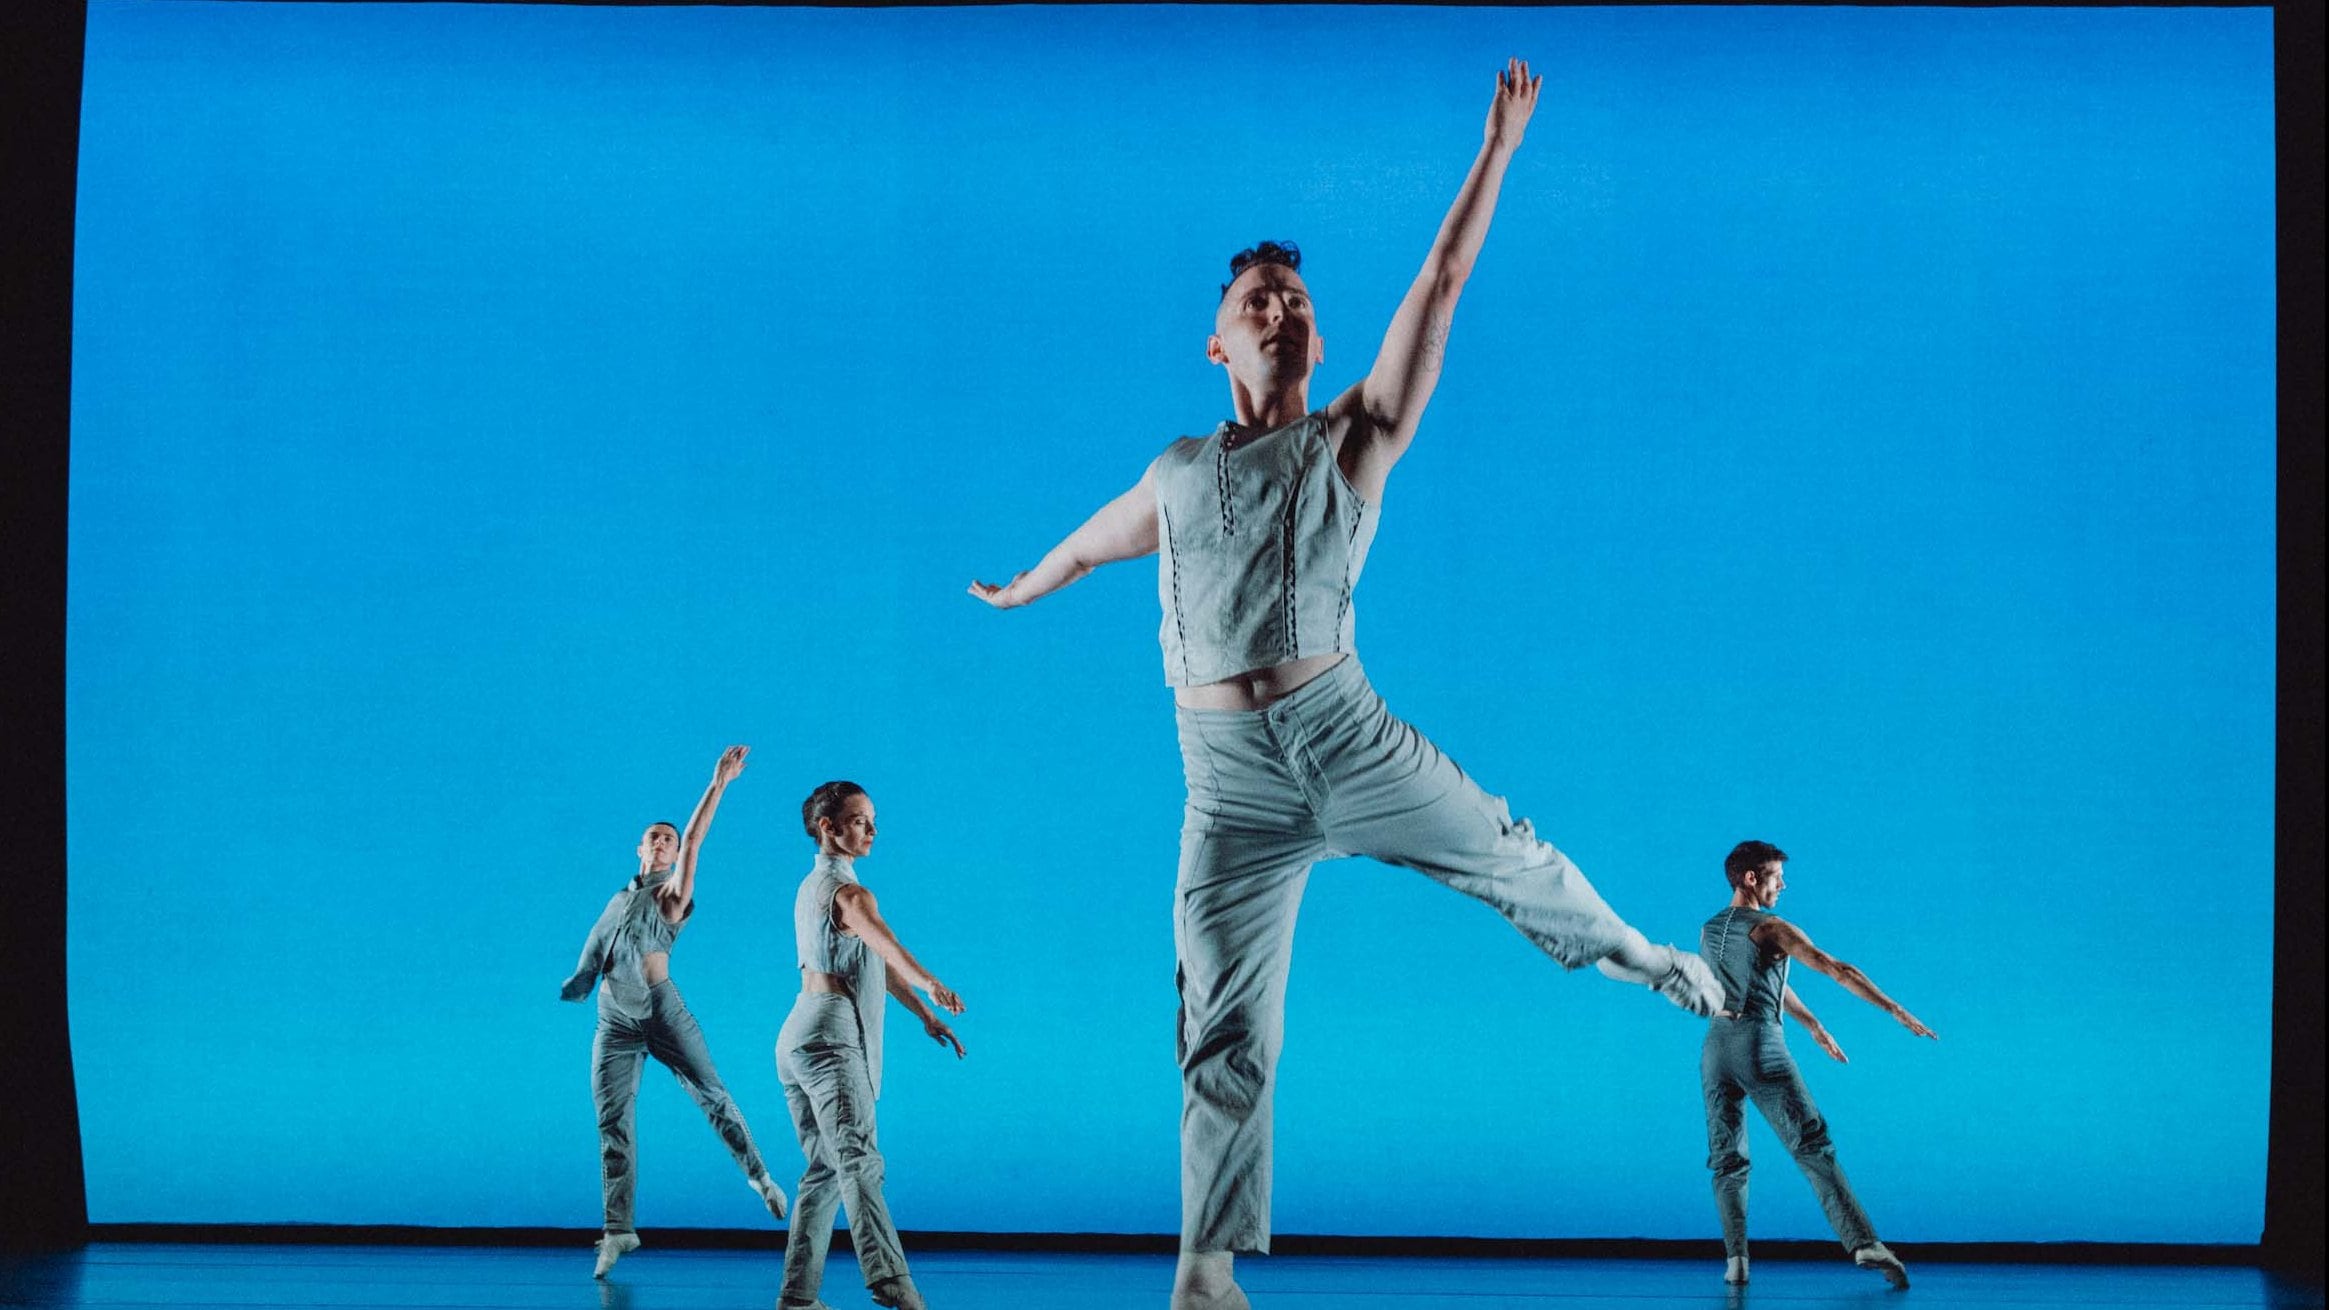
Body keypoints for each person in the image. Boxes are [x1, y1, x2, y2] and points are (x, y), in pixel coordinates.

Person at [968, 59, 1720, 1310]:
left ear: (1317, 340)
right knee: (1222, 1023)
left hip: (1346, 737)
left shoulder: (1353, 435)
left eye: (1299, 300)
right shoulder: (1173, 470)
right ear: (1218, 339)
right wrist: (1020, 587)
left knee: (1510, 855)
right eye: (1258, 298)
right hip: (1228, 788)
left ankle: (1635, 952)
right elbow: (1094, 543)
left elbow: (1442, 283)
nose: (1282, 308)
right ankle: (1203, 1273)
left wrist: (1497, 152)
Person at [558, 745, 789, 1278]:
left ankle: (760, 1177)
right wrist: (580, 981)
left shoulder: (671, 894)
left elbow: (697, 841)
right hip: (614, 1019)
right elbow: (598, 949)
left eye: (671, 838)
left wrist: (718, 784)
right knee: (612, 1121)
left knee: (710, 1094)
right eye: (655, 836)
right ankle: (618, 1230)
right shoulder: (617, 899)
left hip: (662, 1011)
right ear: (640, 847)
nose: (663, 842)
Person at [1699, 839, 1936, 1289]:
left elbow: (1763, 980)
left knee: (1728, 1160)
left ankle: (1736, 1261)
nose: (1783, 885)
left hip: (1715, 1049)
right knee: (1812, 1144)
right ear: (1751, 878)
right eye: (1776, 876)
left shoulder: (1710, 929)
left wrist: (1812, 1024)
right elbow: (1835, 968)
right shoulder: (1772, 928)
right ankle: (1863, 1242)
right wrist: (1894, 1009)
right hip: (1759, 1045)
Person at [776, 781, 967, 1310]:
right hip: (830, 1036)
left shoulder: (811, 886)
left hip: (799, 1031)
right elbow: (887, 943)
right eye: (860, 820)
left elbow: (873, 961)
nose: (873, 830)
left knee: (824, 1170)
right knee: (859, 1160)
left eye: (872, 820)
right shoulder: (851, 895)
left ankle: (797, 1298)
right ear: (828, 827)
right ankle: (893, 1284)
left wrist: (924, 1015)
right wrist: (931, 982)